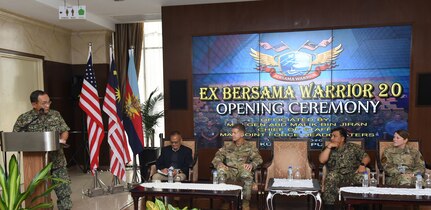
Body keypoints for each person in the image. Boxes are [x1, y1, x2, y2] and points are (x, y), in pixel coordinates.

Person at [13, 90, 72, 210]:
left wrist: (62, 139)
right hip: (35, 163)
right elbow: (16, 137)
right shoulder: (25, 118)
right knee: (39, 192)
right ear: (34, 104)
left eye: (49, 102)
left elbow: (64, 130)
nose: (47, 105)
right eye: (44, 103)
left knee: (64, 191)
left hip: (57, 160)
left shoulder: (55, 114)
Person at [212, 123, 263, 210]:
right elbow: (217, 157)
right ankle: (226, 201)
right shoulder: (227, 146)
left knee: (246, 174)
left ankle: (245, 203)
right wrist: (219, 163)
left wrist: (251, 164)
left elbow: (258, 159)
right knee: (221, 171)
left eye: (235, 133)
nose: (232, 135)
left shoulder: (250, 146)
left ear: (242, 134)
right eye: (232, 133)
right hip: (230, 171)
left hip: (242, 170)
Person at [319, 127, 370, 209]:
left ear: (342, 138)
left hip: (352, 174)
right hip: (336, 175)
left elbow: (366, 157)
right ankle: (329, 207)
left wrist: (362, 165)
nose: (331, 138)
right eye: (331, 136)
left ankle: (361, 205)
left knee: (361, 177)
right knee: (331, 177)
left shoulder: (353, 147)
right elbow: (322, 160)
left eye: (334, 136)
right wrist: (328, 147)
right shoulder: (328, 148)